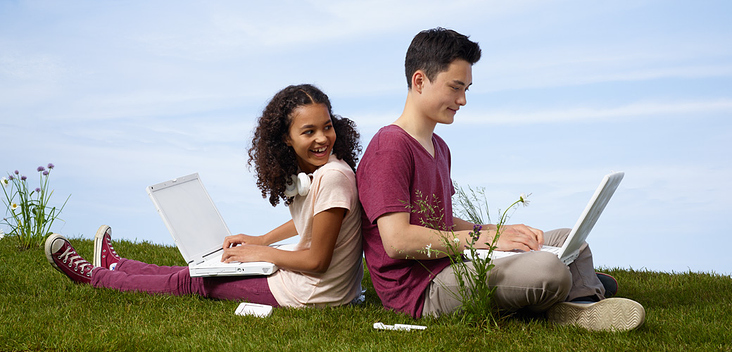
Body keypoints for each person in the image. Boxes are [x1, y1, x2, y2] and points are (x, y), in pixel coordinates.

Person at [356, 28, 645, 331]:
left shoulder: (438, 147)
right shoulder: (390, 147)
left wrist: (497, 231)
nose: (463, 100)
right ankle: (572, 287)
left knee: (568, 240)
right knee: (550, 269)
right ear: (419, 81)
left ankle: (580, 303)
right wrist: (485, 240)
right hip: (421, 289)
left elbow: (440, 221)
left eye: (466, 88)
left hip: (455, 264)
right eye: (455, 88)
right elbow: (397, 241)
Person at [45, 84, 364, 308]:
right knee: (197, 270)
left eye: (326, 127)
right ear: (286, 138)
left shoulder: (333, 176)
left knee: (197, 281)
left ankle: (94, 277)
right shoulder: (323, 173)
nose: (323, 138)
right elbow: (314, 220)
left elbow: (316, 261)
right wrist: (262, 239)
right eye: (309, 131)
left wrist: (260, 255)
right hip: (321, 288)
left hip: (312, 293)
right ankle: (118, 266)